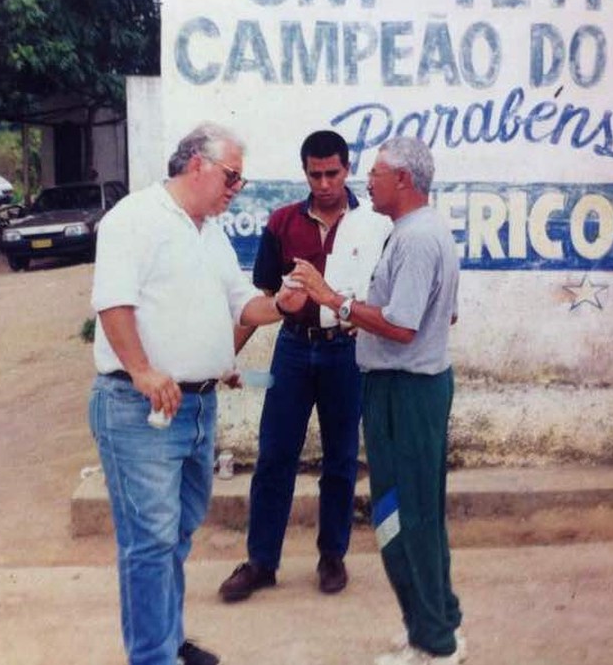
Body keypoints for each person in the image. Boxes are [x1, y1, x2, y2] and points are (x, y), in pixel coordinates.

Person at [88, 121, 307, 665]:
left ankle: (169, 640)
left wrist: (281, 303)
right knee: (149, 543)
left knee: (176, 535)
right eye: (232, 176)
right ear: (196, 165)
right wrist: (141, 370)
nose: (237, 188)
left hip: (198, 408)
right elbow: (113, 303)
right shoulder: (134, 220)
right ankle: (153, 657)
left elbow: (242, 305)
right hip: (141, 410)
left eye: (242, 180)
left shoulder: (210, 233)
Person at [291, 136, 466, 665]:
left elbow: (403, 327)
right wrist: (364, 318)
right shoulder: (420, 230)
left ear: (404, 181)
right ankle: (437, 624)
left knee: (401, 516)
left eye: (376, 173)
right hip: (413, 388)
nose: (367, 181)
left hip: (403, 392)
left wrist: (334, 302)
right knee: (420, 512)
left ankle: (432, 644)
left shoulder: (415, 240)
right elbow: (441, 316)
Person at [218, 130, 391, 603]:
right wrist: (224, 355)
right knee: (274, 454)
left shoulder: (374, 224)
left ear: (347, 168)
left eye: (332, 173)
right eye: (315, 174)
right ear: (305, 173)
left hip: (346, 353)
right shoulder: (281, 223)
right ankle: (261, 562)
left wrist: (369, 327)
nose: (324, 183)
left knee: (339, 459)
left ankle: (332, 555)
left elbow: (388, 293)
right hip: (292, 351)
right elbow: (262, 301)